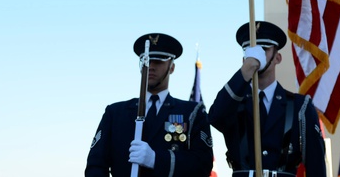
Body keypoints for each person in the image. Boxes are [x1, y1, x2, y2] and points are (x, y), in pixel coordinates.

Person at [86, 33, 214, 177]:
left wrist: (156, 159)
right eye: (146, 61)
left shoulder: (192, 112)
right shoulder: (115, 113)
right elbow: (95, 165)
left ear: (172, 67)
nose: (151, 67)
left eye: (158, 62)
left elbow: (202, 163)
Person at [208, 21, 326, 177]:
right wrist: (245, 71)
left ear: (277, 58)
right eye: (250, 51)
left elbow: (316, 166)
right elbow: (216, 117)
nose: (256, 55)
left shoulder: (300, 106)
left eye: (263, 49)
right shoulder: (234, 102)